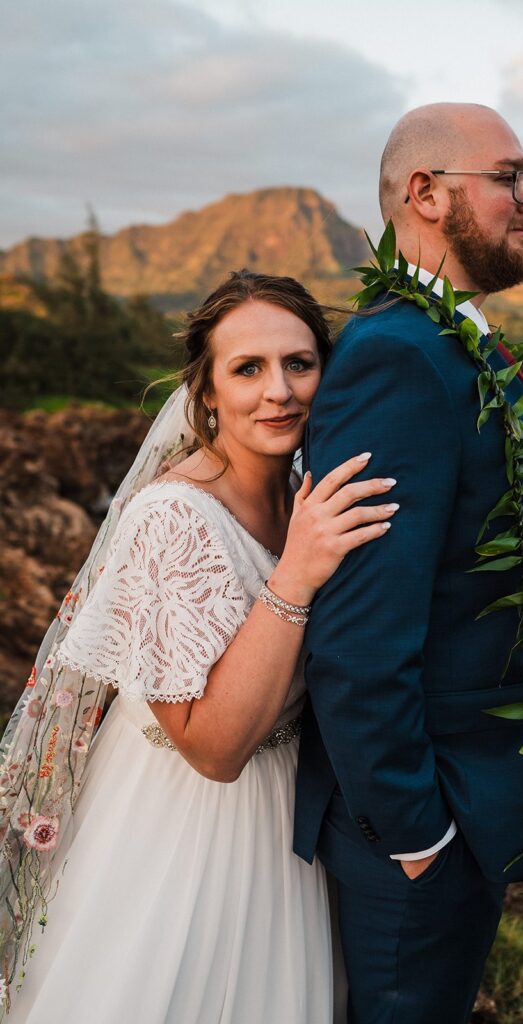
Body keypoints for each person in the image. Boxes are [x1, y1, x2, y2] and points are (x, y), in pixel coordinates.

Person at [294, 102, 523, 1023]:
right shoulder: (397, 358)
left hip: (462, 813)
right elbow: (361, 631)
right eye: (511, 178)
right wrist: (419, 835)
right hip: (415, 838)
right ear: (426, 194)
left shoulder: (453, 344)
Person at [0, 270, 397, 1022]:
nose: (277, 390)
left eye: (299, 364)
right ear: (206, 393)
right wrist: (298, 573)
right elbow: (212, 750)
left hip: (291, 815)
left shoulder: (305, 491)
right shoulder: (173, 519)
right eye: (247, 369)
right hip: (187, 825)